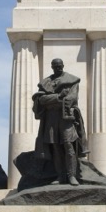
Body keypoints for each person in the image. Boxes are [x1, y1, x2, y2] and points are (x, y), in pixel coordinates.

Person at [32, 58, 89, 186]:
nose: (58, 68)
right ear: (52, 67)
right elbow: (41, 99)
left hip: (66, 117)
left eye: (59, 66)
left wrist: (53, 99)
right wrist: (59, 96)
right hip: (51, 118)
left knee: (69, 145)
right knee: (56, 148)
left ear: (63, 66)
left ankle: (71, 176)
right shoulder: (45, 82)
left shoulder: (72, 80)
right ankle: (60, 176)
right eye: (55, 66)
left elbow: (72, 98)